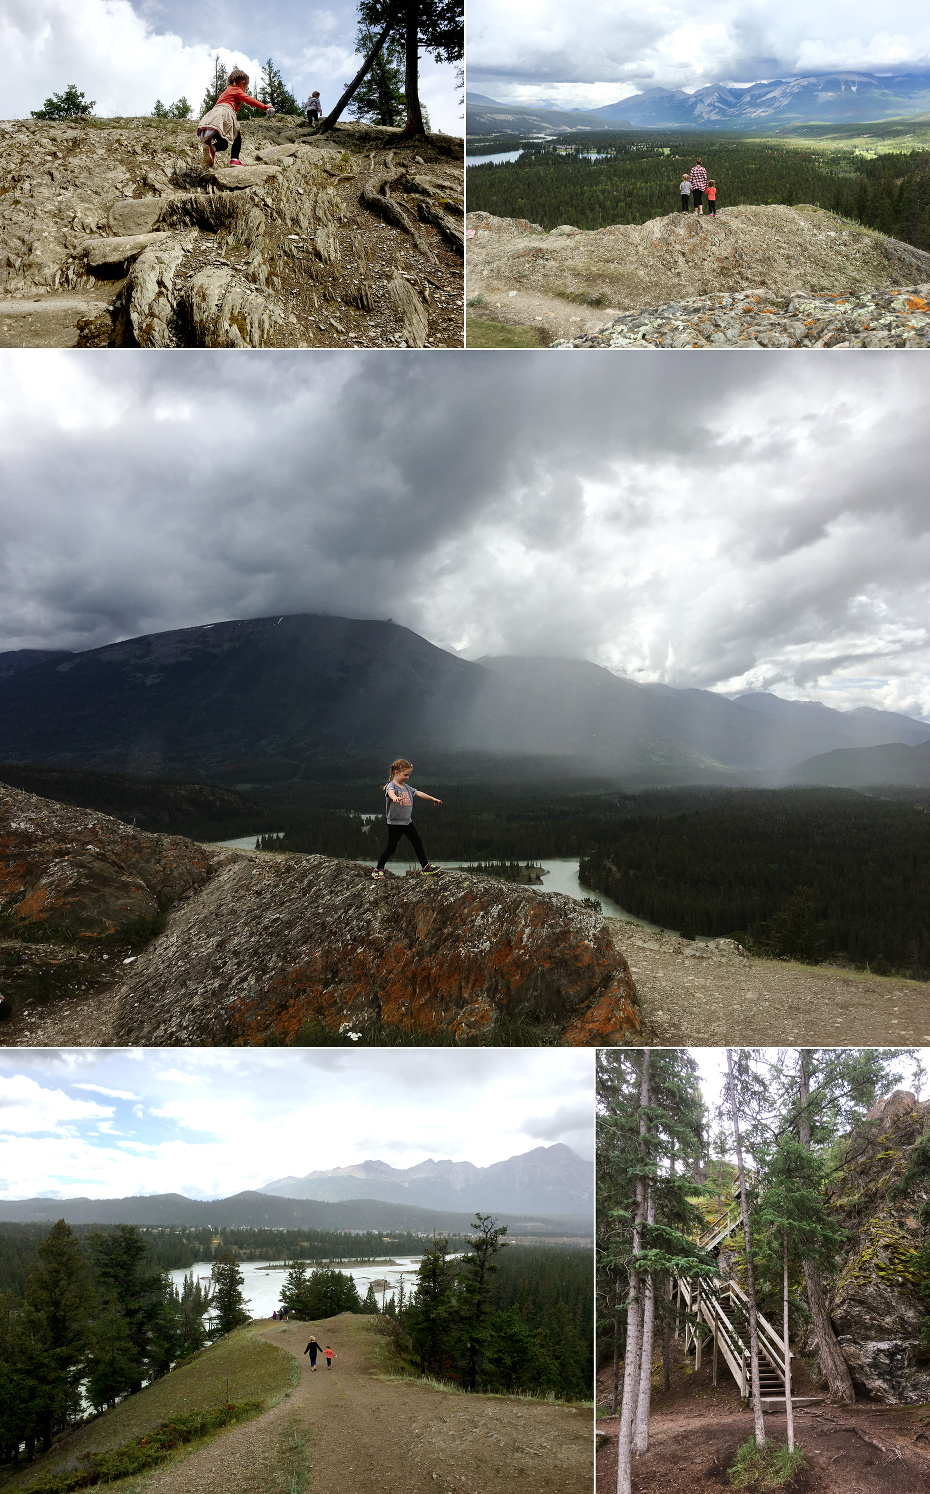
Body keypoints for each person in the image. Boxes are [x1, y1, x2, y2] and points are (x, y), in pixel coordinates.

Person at [372, 758, 442, 879]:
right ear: (396, 773)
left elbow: (418, 793)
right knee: (391, 848)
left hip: (407, 822)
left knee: (417, 843)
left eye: (408, 775)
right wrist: (394, 798)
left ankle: (425, 866)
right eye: (405, 775)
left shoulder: (406, 787)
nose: (407, 777)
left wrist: (432, 799)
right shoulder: (392, 785)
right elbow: (390, 792)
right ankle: (378, 869)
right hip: (395, 823)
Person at [197, 69, 275, 168]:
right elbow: (249, 100)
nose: (245, 90)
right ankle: (235, 159)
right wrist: (265, 107)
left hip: (213, 116)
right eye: (246, 87)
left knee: (224, 144)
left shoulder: (226, 91)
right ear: (243, 83)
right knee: (236, 136)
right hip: (225, 112)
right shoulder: (236, 89)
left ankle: (211, 147)